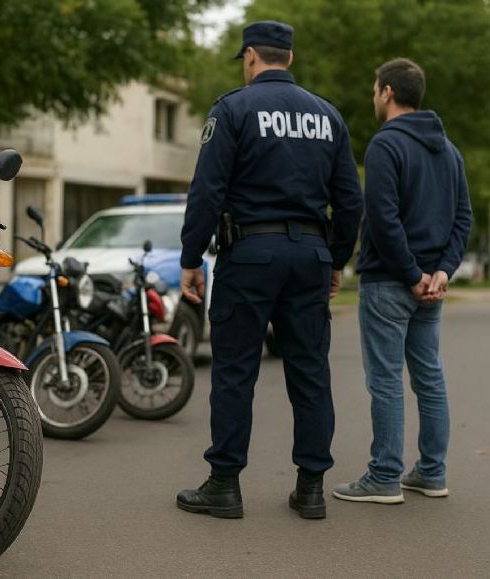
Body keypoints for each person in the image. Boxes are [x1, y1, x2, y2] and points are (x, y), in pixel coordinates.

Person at [176, 21, 363, 520]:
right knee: (311, 373)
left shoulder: (233, 109)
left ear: (252, 56)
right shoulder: (328, 116)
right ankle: (311, 489)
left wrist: (191, 258)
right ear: (291, 58)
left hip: (250, 254)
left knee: (236, 371)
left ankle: (224, 485)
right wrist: (336, 259)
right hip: (310, 256)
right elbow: (350, 200)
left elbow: (208, 191)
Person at [334, 58, 472, 504]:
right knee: (429, 378)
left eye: (375, 89)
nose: (373, 96)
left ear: (388, 92)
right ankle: (432, 472)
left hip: (392, 283)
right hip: (431, 285)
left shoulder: (384, 145)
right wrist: (442, 271)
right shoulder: (449, 151)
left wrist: (412, 275)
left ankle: (384, 477)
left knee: (386, 380)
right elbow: (462, 219)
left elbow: (383, 218)